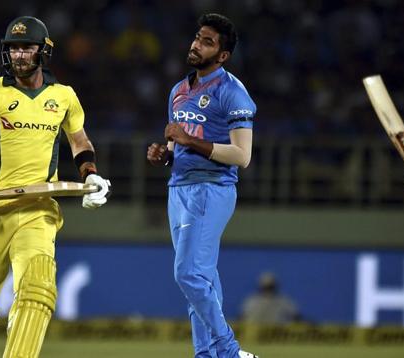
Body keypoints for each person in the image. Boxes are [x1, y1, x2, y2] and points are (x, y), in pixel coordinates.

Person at [0, 16, 110, 358]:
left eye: (26, 48)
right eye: (13, 49)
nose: (18, 56)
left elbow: (79, 140)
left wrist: (90, 173)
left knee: (38, 290)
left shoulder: (63, 96)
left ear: (43, 51)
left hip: (39, 208)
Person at [147, 13, 257, 358]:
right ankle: (207, 355)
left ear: (222, 56)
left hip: (212, 189)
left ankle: (230, 349)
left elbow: (242, 156)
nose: (196, 45)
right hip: (178, 189)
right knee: (202, 280)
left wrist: (188, 142)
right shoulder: (179, 91)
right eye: (197, 37)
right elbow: (179, 146)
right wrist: (165, 156)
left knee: (187, 274)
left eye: (207, 42)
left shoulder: (232, 92)